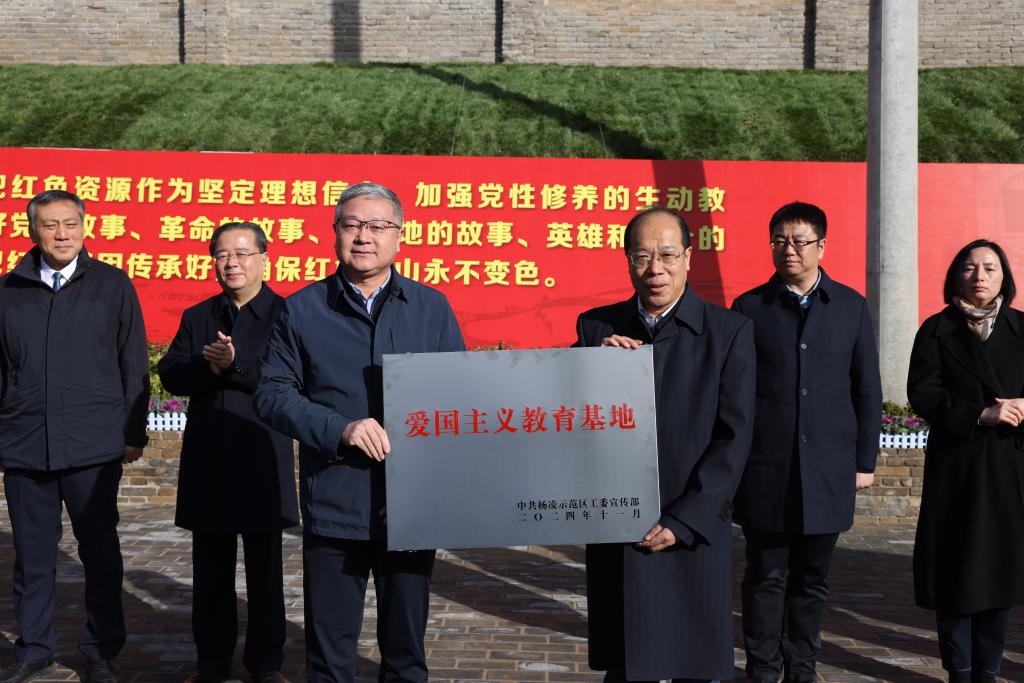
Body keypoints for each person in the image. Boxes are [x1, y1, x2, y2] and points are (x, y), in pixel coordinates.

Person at [254, 182, 465, 683]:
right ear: (335, 234)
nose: (364, 236)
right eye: (351, 225)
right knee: (329, 656)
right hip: (335, 504)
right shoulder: (302, 309)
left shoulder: (431, 307)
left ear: (400, 235)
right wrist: (340, 428)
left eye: (377, 226)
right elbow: (272, 394)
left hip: (411, 511)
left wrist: (430, 489)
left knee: (406, 654)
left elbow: (457, 399)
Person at [575, 206, 755, 683]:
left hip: (691, 526)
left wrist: (686, 519)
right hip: (619, 524)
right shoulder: (597, 327)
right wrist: (590, 365)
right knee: (626, 664)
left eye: (668, 255)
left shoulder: (728, 332)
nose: (655, 268)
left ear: (689, 258)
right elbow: (562, 409)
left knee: (692, 659)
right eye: (642, 256)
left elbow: (734, 438)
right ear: (627, 261)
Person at [0, 190, 150, 683]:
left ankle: (102, 650)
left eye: (70, 224)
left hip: (93, 446)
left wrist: (133, 430)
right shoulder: (8, 290)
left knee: (100, 552)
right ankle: (34, 649)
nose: (61, 234)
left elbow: (133, 361)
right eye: (50, 225)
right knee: (32, 557)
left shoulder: (111, 284)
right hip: (25, 446)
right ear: (33, 231)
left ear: (85, 227)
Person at [730, 201, 882, 683]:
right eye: (779, 240)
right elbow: (735, 390)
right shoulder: (750, 308)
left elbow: (866, 388)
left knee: (812, 579)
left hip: (828, 468)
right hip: (766, 467)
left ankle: (802, 667)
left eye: (799, 241)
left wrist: (864, 461)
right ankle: (762, 668)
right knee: (764, 576)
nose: (789, 250)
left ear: (822, 246)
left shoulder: (851, 307)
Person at [158, 222, 298, 683]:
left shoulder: (287, 314)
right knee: (210, 574)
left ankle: (265, 665)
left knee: (265, 573)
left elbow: (291, 379)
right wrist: (210, 367)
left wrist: (235, 366)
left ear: (264, 258)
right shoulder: (199, 315)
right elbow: (172, 374)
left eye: (241, 253)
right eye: (221, 255)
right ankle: (212, 664)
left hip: (261, 457)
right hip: (208, 459)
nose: (231, 263)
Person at [908, 239, 1024, 683]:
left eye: (990, 268)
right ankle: (958, 668)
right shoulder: (937, 330)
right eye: (970, 268)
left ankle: (988, 670)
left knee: (999, 575)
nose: (980, 276)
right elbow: (923, 393)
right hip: (956, 468)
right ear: (956, 275)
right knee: (954, 574)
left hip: (1009, 469)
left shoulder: (1021, 328)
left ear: (1004, 277)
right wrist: (979, 414)